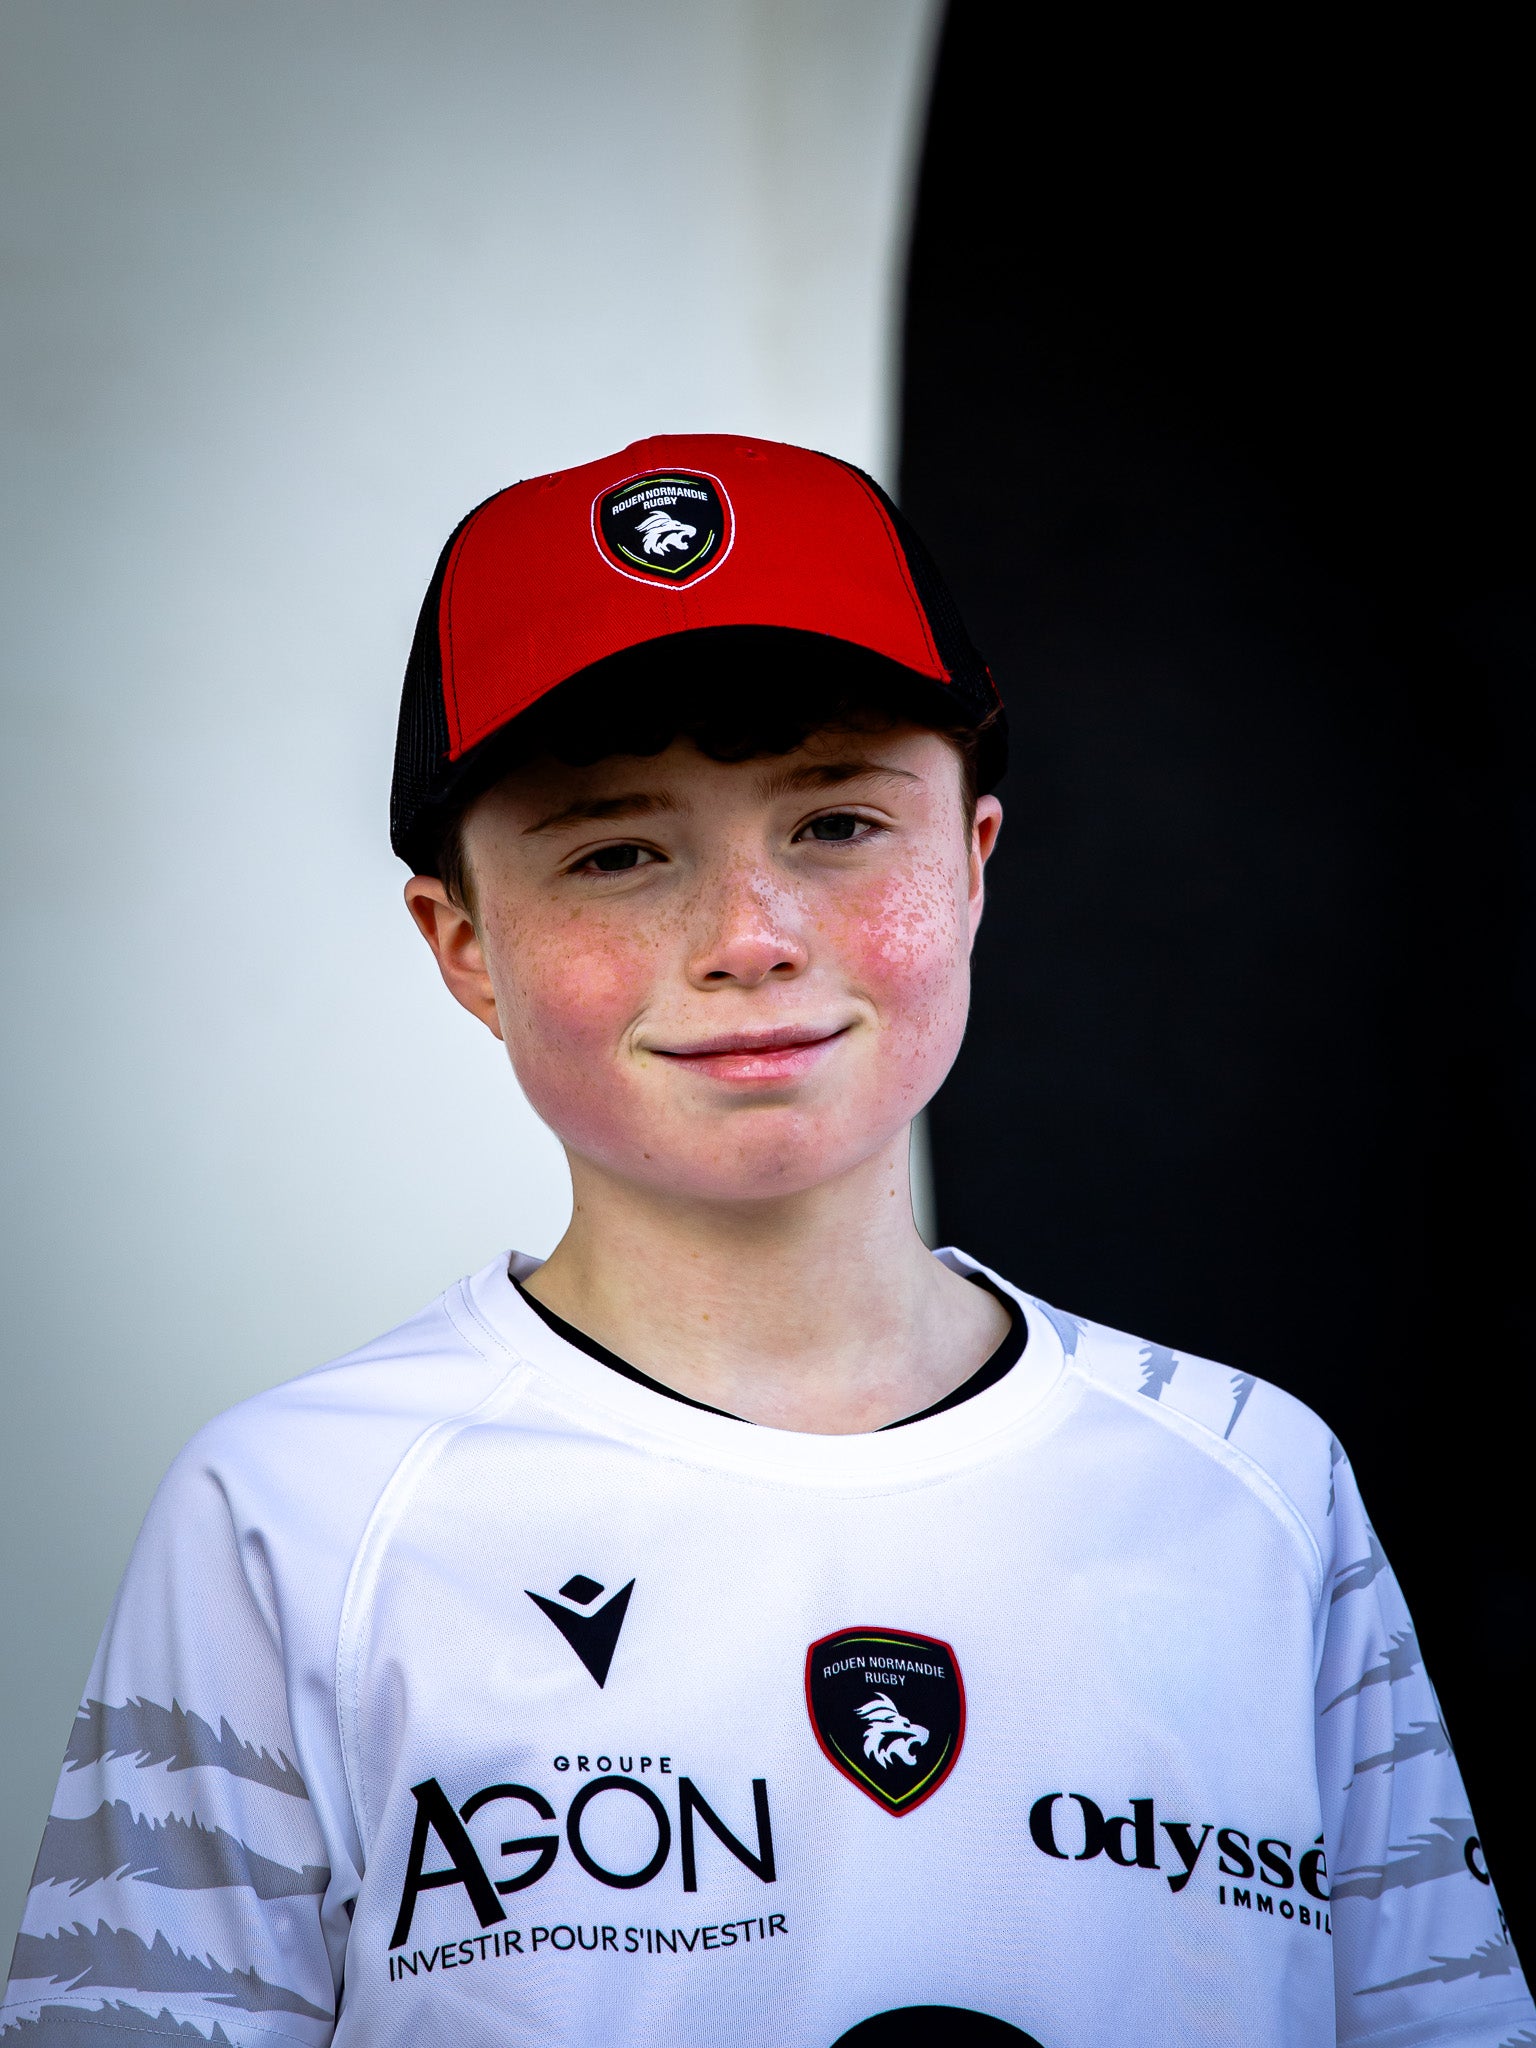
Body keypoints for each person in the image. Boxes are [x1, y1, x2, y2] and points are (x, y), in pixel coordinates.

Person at [3, 437, 1525, 2048]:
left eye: (838, 824)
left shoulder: (1254, 1491)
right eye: (617, 852)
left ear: (974, 862)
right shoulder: (293, 1516)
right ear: (463, 945)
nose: (748, 936)